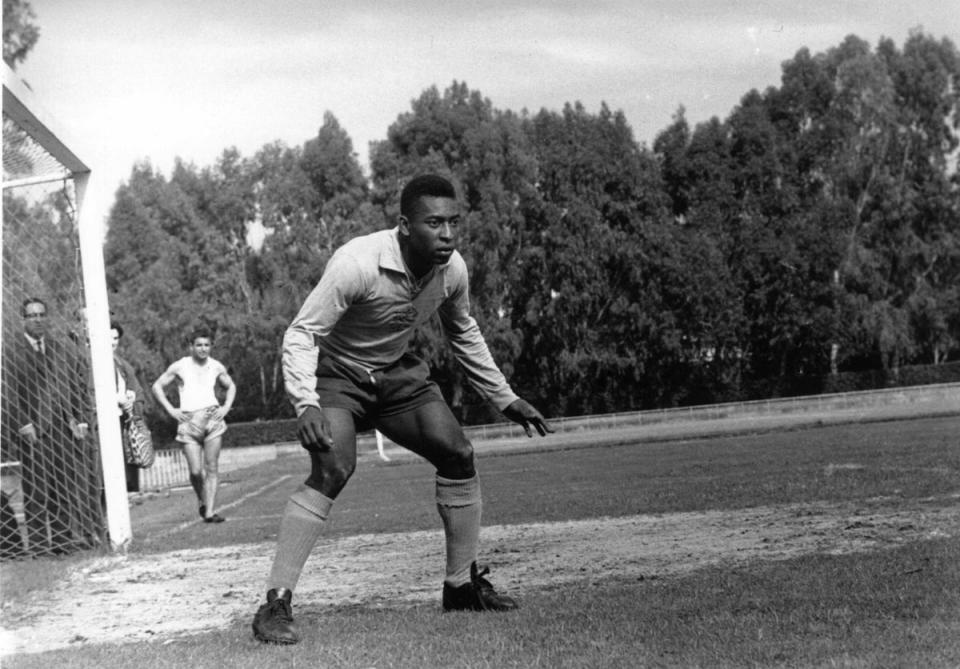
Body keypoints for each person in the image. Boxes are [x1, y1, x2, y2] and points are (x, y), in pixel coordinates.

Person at [251, 174, 553, 645]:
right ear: (405, 225)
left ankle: (460, 588)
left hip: (396, 374)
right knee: (334, 467)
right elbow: (302, 332)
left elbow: (464, 332)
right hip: (339, 376)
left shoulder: (453, 270)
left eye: (454, 222)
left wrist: (504, 396)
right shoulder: (357, 262)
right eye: (435, 223)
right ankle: (275, 604)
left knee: (458, 453)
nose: (448, 234)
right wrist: (305, 401)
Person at [2, 297, 89, 555]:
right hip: (32, 432)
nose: (38, 319)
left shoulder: (59, 349)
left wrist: (79, 418)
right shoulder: (11, 353)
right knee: (36, 490)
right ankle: (40, 546)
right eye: (32, 315)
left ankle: (63, 541)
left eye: (41, 314)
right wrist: (22, 424)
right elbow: (8, 393)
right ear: (23, 320)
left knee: (64, 486)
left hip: (62, 429)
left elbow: (74, 386)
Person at [152, 330, 236, 523]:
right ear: (191, 346)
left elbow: (231, 386)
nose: (203, 349)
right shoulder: (180, 366)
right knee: (196, 471)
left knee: (212, 467)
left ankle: (210, 512)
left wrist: (226, 407)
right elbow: (157, 386)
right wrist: (171, 410)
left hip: (212, 420)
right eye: (199, 345)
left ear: (211, 346)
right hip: (189, 422)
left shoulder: (216, 366)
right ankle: (202, 500)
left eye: (206, 345)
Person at [111, 322, 146, 493]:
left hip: (123, 423)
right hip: (104, 424)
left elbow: (138, 392)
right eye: (108, 337)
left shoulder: (123, 364)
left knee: (127, 477)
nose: (112, 342)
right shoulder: (90, 361)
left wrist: (131, 400)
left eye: (115, 338)